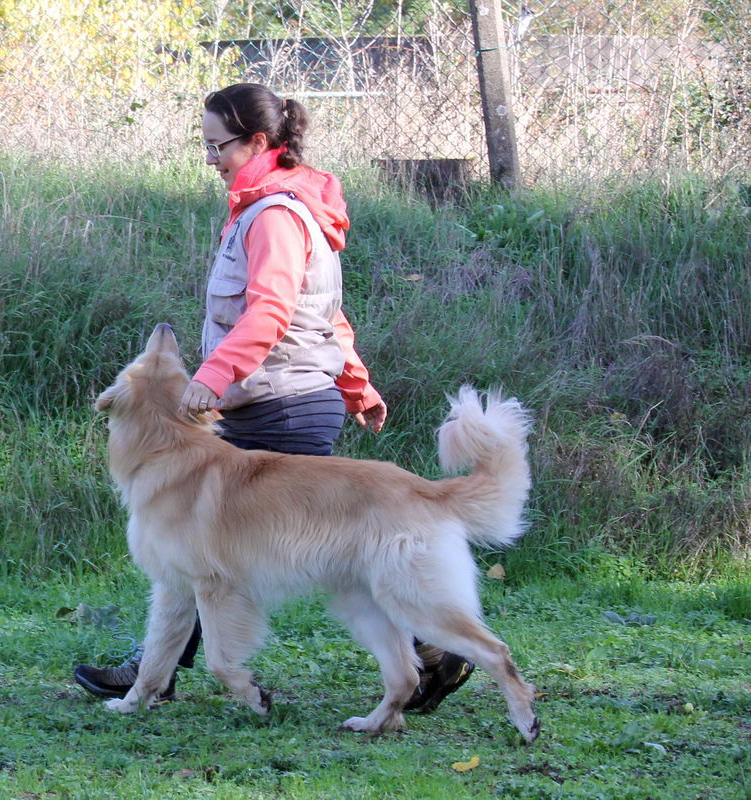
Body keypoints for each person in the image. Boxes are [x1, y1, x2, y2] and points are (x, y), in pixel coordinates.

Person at [74, 83, 474, 713]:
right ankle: (153, 676)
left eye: (217, 146)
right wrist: (355, 383)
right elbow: (326, 317)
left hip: (275, 401)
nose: (209, 159)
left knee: (227, 547)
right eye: (204, 145)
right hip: (280, 396)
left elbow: (274, 310)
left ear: (258, 141)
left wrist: (212, 377)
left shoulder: (277, 217)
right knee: (216, 546)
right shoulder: (265, 207)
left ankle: (435, 646)